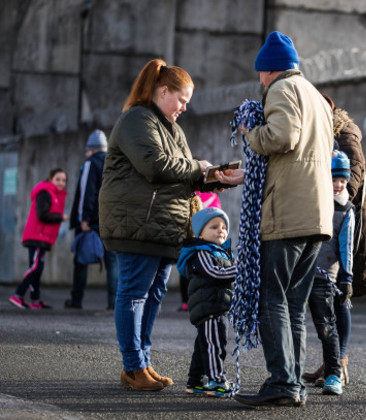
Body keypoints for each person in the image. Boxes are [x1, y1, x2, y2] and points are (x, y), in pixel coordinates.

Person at [215, 31, 334, 407]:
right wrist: (249, 174)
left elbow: (282, 137)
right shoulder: (315, 95)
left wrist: (250, 134)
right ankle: (293, 383)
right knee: (294, 305)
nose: (260, 82)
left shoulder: (283, 90)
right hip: (316, 215)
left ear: (268, 71)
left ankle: (282, 382)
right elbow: (301, 157)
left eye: (260, 75)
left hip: (286, 215)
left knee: (272, 301)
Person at [99, 58, 213, 392]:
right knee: (134, 294)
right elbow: (157, 165)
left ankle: (142, 363)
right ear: (163, 91)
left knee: (152, 295)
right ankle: (133, 366)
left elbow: (185, 173)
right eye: (181, 99)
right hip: (138, 226)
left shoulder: (171, 128)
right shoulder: (137, 118)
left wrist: (215, 176)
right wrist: (199, 167)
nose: (184, 108)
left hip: (164, 227)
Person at [307, 93, 366, 385]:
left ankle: (339, 362)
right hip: (329, 220)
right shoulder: (325, 132)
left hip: (343, 223)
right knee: (327, 298)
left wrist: (333, 208)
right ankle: (330, 361)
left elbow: (351, 180)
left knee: (340, 297)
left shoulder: (344, 134)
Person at [305, 150, 355, 396]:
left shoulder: (346, 210)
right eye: (334, 179)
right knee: (293, 323)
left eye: (342, 181)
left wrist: (347, 277)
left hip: (326, 277)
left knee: (327, 326)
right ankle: (288, 373)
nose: (338, 185)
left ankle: (333, 374)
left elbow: (347, 247)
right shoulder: (311, 201)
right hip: (301, 273)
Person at [177, 207, 236, 398]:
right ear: (200, 234)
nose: (221, 230)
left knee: (203, 345)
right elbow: (214, 273)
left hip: (217, 307)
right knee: (214, 346)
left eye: (223, 227)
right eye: (214, 227)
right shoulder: (202, 253)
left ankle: (196, 382)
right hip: (209, 309)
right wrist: (239, 271)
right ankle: (217, 381)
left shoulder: (220, 252)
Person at [65, 129, 118, 310]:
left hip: (92, 221)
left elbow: (87, 192)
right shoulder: (114, 163)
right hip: (111, 221)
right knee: (112, 262)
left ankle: (76, 300)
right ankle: (113, 302)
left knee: (81, 260)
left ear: (91, 149)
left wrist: (83, 218)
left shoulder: (90, 163)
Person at [9, 168, 69, 309]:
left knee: (37, 268)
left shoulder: (53, 194)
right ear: (50, 179)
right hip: (37, 236)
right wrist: (61, 217)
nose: (61, 183)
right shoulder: (45, 193)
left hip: (43, 238)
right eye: (58, 179)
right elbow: (42, 214)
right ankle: (18, 295)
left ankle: (35, 300)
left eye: (64, 180)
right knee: (36, 267)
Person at [178, 191, 221, 312]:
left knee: (188, 269)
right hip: (200, 239)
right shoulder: (211, 196)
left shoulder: (195, 193)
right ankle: (192, 301)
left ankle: (187, 302)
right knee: (197, 269)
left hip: (194, 238)